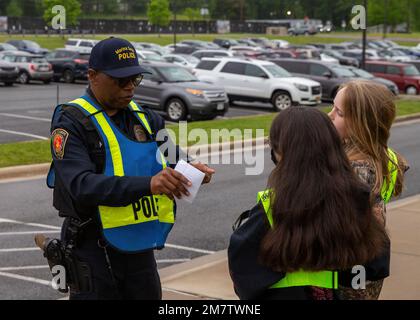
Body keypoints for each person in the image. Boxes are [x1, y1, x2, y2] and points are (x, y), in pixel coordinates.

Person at [45, 37, 215, 300]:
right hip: (91, 246)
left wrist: (193, 169)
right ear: (92, 76)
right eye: (120, 80)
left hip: (138, 249)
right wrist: (149, 184)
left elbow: (172, 157)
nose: (129, 88)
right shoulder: (71, 122)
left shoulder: (146, 118)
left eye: (135, 79)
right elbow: (81, 185)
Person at [228, 107, 389, 300]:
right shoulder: (356, 199)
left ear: (281, 153)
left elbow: (242, 273)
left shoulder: (273, 206)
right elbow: (375, 264)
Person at [329, 80, 408, 299]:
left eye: (339, 112)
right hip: (365, 272)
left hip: (347, 280)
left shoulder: (357, 171)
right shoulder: (382, 156)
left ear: (361, 123)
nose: (329, 116)